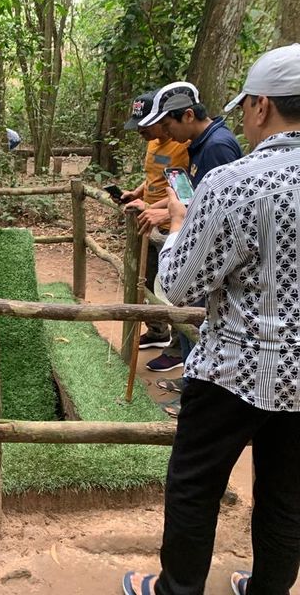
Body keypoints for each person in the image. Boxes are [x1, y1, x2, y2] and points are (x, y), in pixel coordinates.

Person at [123, 43, 300, 595]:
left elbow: (176, 287)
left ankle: (177, 590)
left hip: (235, 368)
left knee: (194, 489)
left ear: (261, 106)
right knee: (286, 497)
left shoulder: (238, 180)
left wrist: (177, 226)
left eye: (246, 105)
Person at [137, 81, 242, 377]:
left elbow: (216, 210)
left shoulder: (217, 147)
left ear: (187, 116)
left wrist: (172, 219)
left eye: (168, 124)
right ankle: (188, 378)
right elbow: (195, 197)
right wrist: (159, 210)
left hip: (205, 252)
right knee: (186, 316)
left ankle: (192, 382)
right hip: (195, 244)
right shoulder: (200, 145)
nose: (166, 133)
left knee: (193, 317)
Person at [120, 91, 190, 361]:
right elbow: (154, 176)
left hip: (169, 221)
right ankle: (158, 330)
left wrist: (152, 208)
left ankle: (176, 349)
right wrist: (137, 194)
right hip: (149, 219)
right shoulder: (152, 144)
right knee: (147, 278)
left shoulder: (181, 145)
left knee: (171, 284)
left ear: (160, 119)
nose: (140, 130)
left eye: (144, 124)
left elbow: (183, 191)